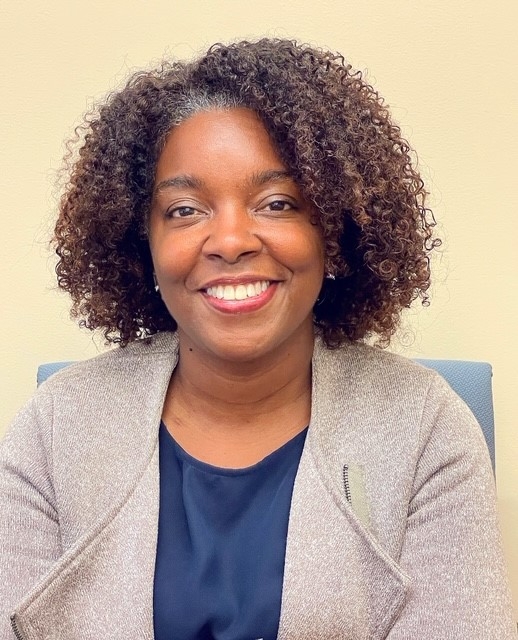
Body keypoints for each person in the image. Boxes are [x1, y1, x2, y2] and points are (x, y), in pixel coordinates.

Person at [0, 38, 514, 639]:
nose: (231, 239)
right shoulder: (57, 427)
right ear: (142, 243)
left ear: (334, 228)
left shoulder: (426, 429)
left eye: (276, 203)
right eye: (186, 210)